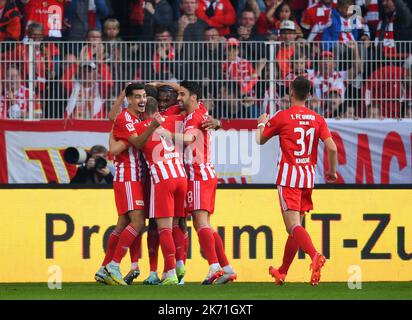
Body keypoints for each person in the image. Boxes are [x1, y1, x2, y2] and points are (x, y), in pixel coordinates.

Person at [255, 76, 338, 286]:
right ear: (309, 94)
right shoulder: (317, 119)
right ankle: (282, 271)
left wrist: (262, 122)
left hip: (289, 178)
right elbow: (332, 148)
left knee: (292, 226)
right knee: (295, 227)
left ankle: (314, 255)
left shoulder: (283, 116)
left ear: (291, 91)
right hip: (307, 178)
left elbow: (260, 139)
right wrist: (332, 172)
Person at [110, 97, 188, 285]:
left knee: (164, 228)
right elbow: (187, 108)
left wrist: (113, 134)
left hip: (163, 179)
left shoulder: (139, 127)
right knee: (178, 224)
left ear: (144, 111)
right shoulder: (171, 120)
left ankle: (169, 272)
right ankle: (180, 265)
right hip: (181, 176)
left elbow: (115, 148)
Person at [95, 82, 163, 285]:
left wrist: (120, 140)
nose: (142, 100)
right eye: (138, 97)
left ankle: (103, 268)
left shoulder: (133, 118)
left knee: (123, 223)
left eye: (144, 97)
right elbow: (137, 143)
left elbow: (116, 136)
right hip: (128, 176)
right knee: (138, 222)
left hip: (135, 176)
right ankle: (114, 265)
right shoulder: (127, 118)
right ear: (129, 99)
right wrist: (151, 127)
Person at [175, 81, 236, 284]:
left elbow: (188, 139)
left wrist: (164, 134)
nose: (178, 97)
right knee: (206, 225)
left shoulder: (194, 117)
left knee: (200, 223)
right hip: (205, 174)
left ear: (193, 97)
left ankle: (214, 267)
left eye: (182, 94)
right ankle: (227, 268)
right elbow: (210, 123)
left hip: (198, 175)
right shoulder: (200, 109)